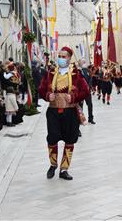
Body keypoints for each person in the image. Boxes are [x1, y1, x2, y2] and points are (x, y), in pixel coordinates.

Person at [38, 46, 90, 180]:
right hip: (53, 111)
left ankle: (64, 169)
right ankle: (53, 164)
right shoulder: (50, 73)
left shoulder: (77, 74)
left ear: (69, 58)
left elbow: (86, 91)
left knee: (70, 139)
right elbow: (41, 89)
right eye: (59, 56)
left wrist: (73, 97)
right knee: (52, 138)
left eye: (63, 56)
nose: (61, 59)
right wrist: (47, 95)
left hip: (70, 112)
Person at [78, 59, 95, 124]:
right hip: (81, 92)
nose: (84, 63)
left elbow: (90, 79)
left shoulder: (88, 70)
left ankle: (90, 119)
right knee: (80, 106)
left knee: (90, 105)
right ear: (79, 63)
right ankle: (80, 120)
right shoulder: (78, 71)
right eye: (82, 62)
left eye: (84, 62)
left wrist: (89, 87)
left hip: (87, 91)